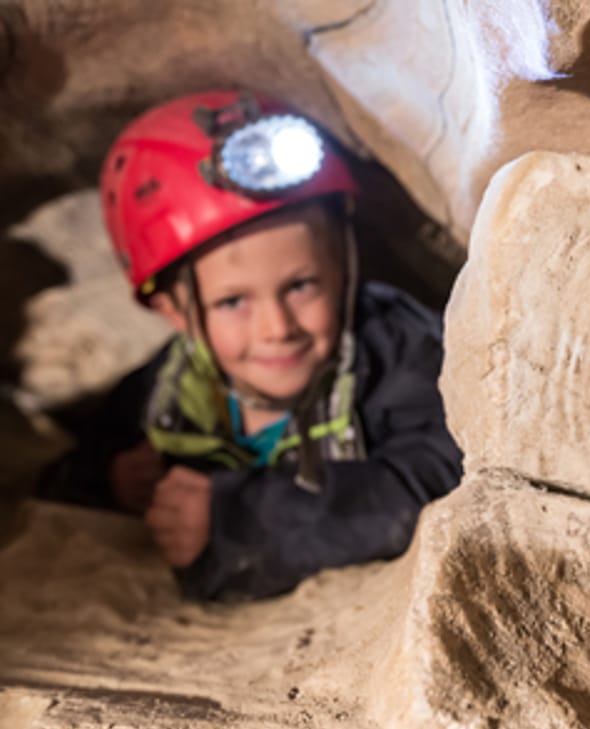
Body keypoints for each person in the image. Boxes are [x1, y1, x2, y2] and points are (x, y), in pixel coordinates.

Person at [39, 90, 463, 601]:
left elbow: (438, 475)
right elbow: (64, 474)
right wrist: (112, 481)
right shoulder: (162, 392)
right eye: (233, 301)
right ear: (174, 311)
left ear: (344, 265)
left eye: (301, 285)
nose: (276, 328)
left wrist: (236, 522)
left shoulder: (396, 351)